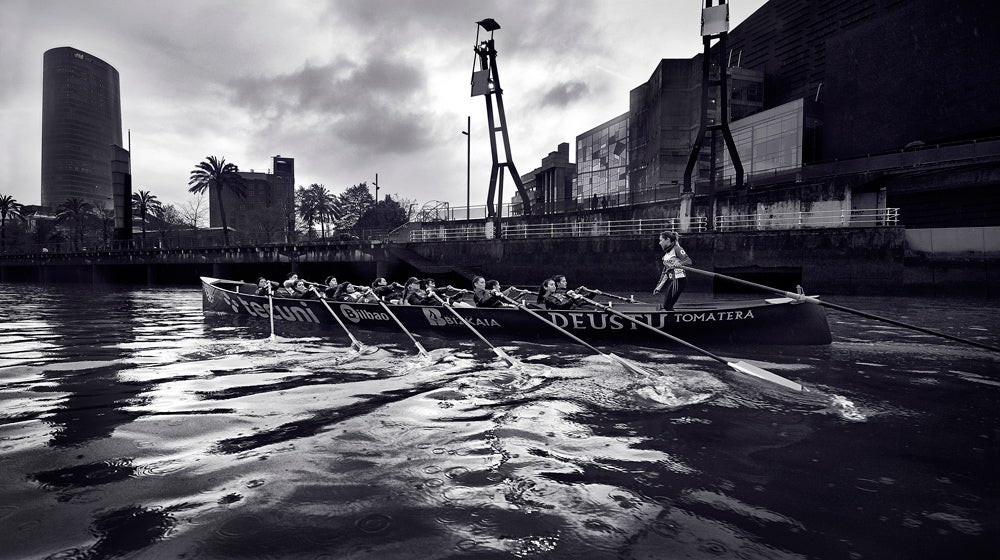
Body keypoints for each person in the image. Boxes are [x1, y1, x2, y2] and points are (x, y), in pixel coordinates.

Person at [654, 231, 692, 310]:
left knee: (667, 306)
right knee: (667, 306)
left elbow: (688, 261)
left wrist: (680, 264)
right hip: (672, 280)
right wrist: (658, 287)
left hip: (678, 279)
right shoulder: (666, 255)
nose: (659, 243)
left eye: (661, 240)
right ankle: (670, 318)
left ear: (667, 239)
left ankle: (671, 320)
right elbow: (665, 273)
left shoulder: (677, 249)